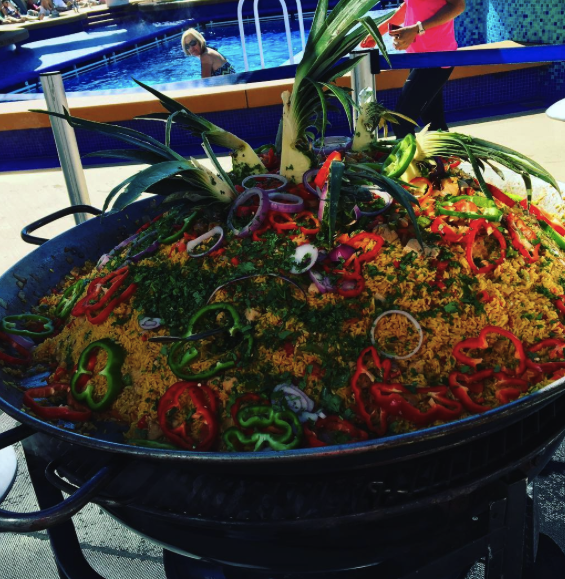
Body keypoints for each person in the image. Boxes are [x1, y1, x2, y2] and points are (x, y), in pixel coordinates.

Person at [365, 0, 465, 138]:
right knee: (433, 123)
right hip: (418, 57)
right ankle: (443, 158)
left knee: (401, 122)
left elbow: (457, 6)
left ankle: (409, 159)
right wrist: (376, 33)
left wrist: (416, 29)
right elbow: (407, 6)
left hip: (436, 57)